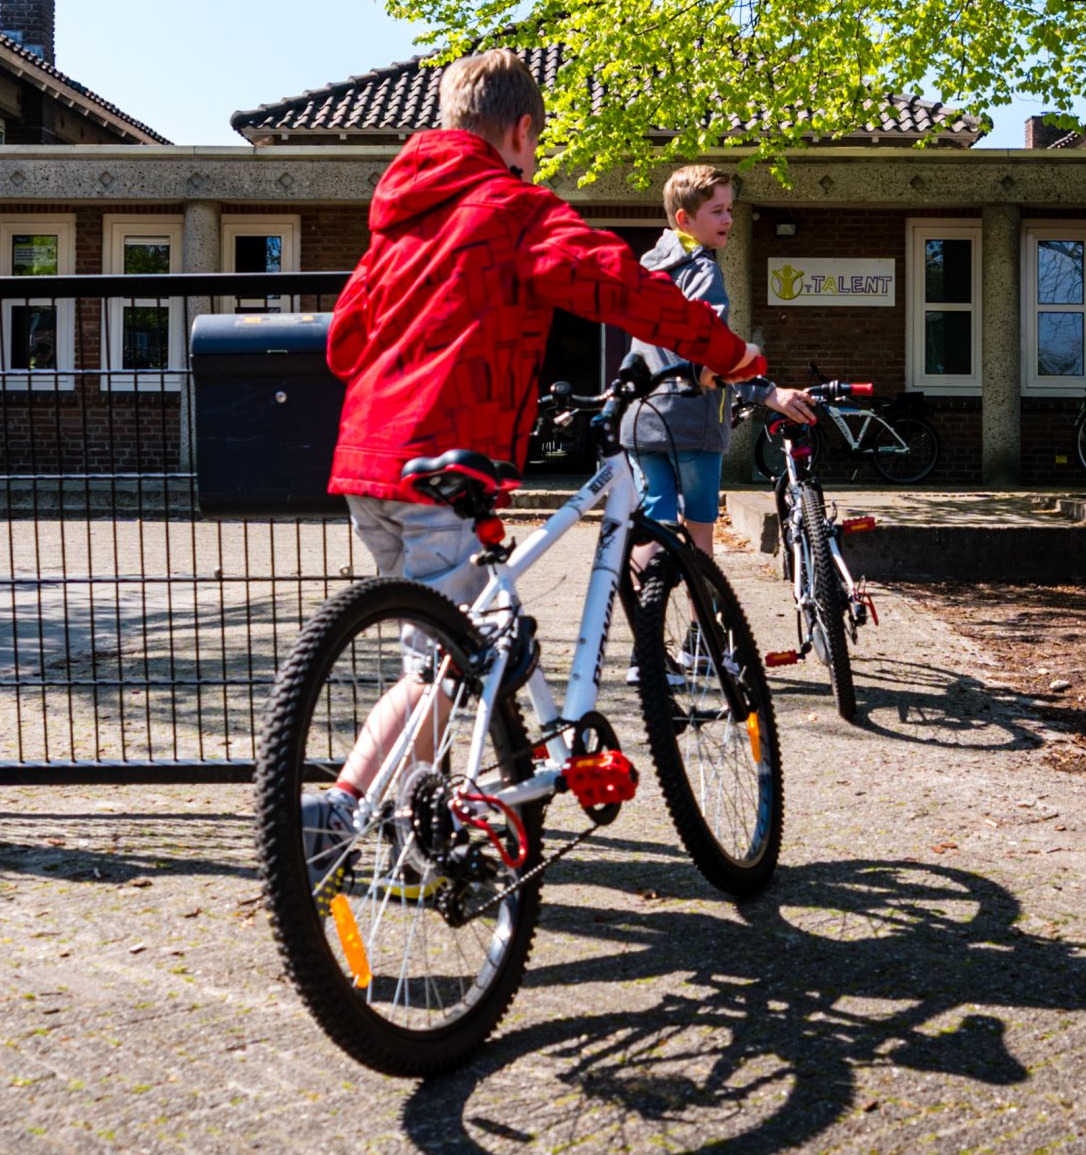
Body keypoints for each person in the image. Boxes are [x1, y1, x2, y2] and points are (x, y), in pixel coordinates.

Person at [306, 49, 767, 864]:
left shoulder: (400, 220)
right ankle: (340, 809)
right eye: (537, 140)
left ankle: (424, 838)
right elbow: (620, 286)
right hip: (443, 452)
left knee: (443, 644)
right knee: (443, 660)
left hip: (368, 461)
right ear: (521, 131)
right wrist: (729, 355)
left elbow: (345, 343)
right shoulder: (513, 208)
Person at [622, 166, 817, 557]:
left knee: (654, 528)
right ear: (685, 218)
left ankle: (647, 614)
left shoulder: (646, 267)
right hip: (692, 422)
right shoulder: (702, 270)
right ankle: (702, 618)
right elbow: (711, 349)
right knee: (699, 534)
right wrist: (768, 393)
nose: (728, 218)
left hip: (641, 419)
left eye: (729, 208)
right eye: (717, 210)